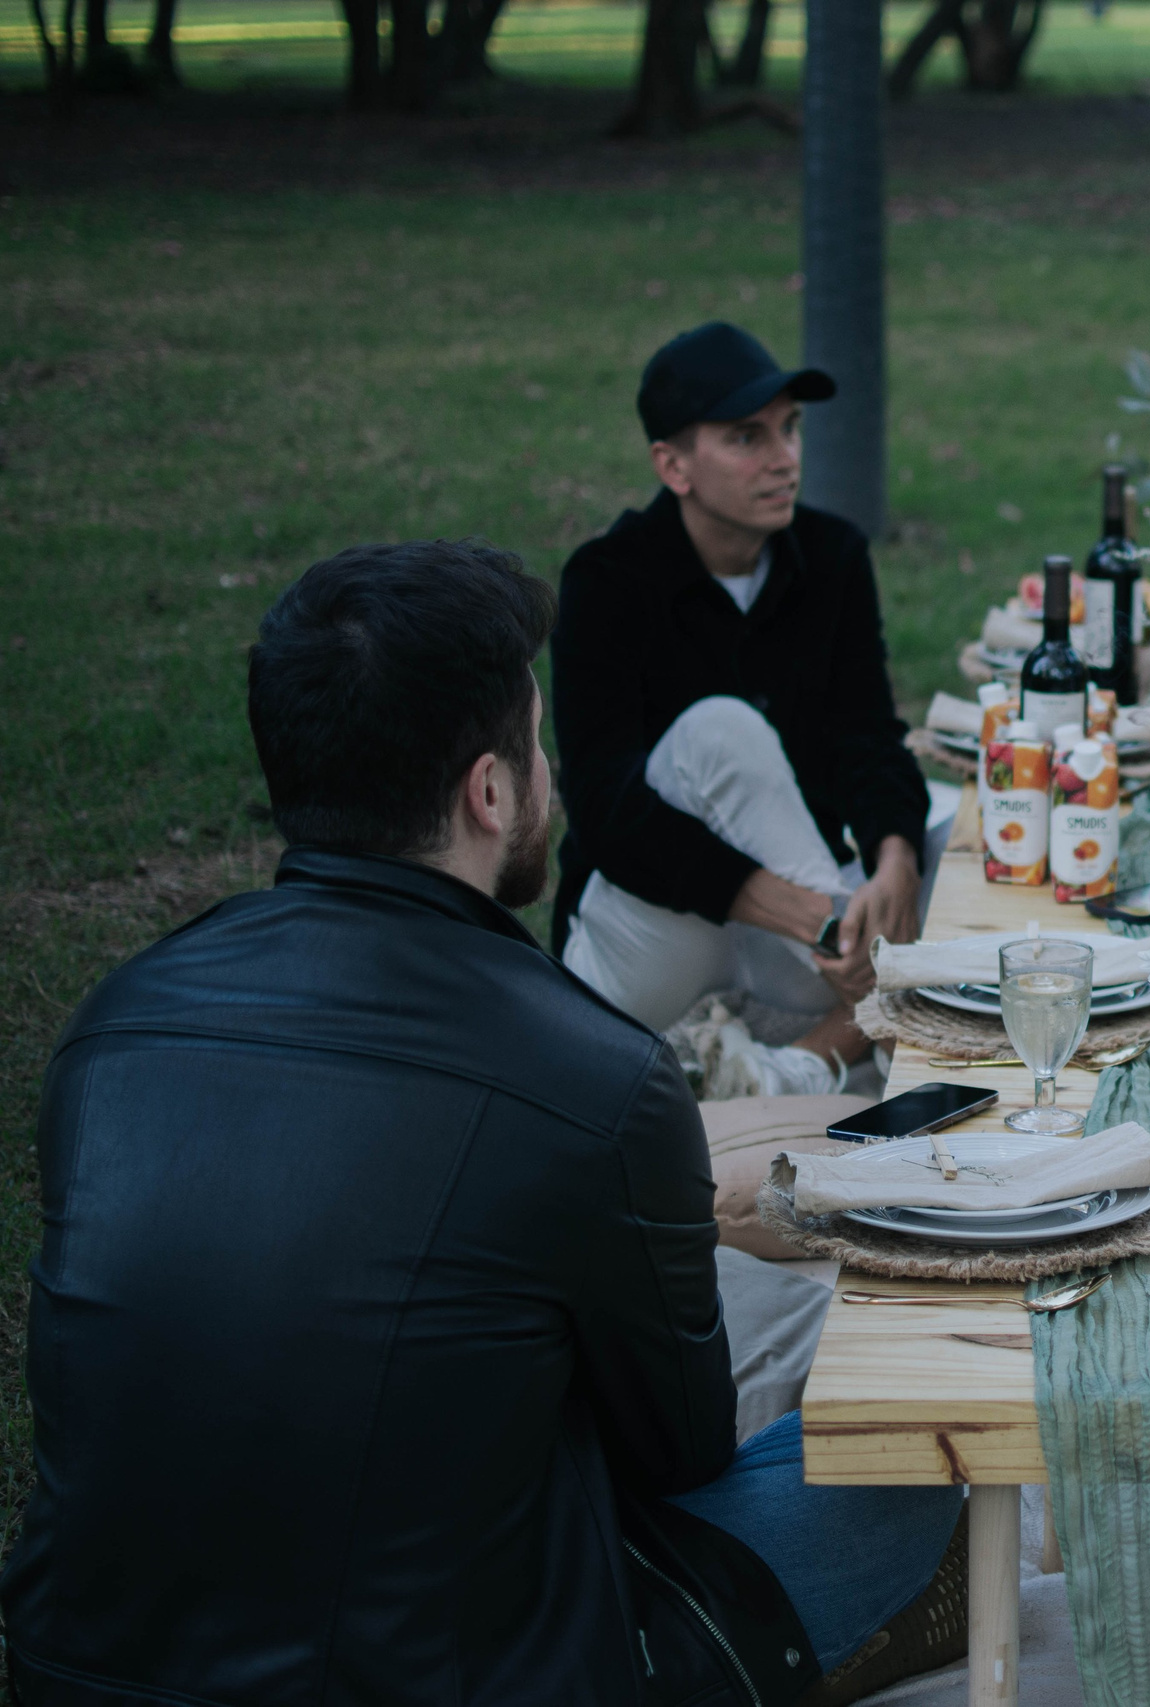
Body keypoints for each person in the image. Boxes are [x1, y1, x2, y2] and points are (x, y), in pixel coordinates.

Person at [2, 541, 961, 1706]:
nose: (550, 771)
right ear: (491, 790)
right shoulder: (590, 1075)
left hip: (84, 1665)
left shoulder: (113, 1022)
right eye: (538, 742)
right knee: (914, 1460)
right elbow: (676, 1455)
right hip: (462, 1672)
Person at [552, 321, 935, 1087]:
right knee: (721, 732)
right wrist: (820, 919)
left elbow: (869, 730)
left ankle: (791, 1065)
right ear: (674, 465)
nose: (785, 458)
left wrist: (894, 855)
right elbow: (605, 808)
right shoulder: (608, 579)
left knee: (961, 827)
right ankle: (883, 1017)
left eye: (789, 429)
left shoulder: (832, 556)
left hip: (795, 954)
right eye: (746, 438)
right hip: (649, 950)